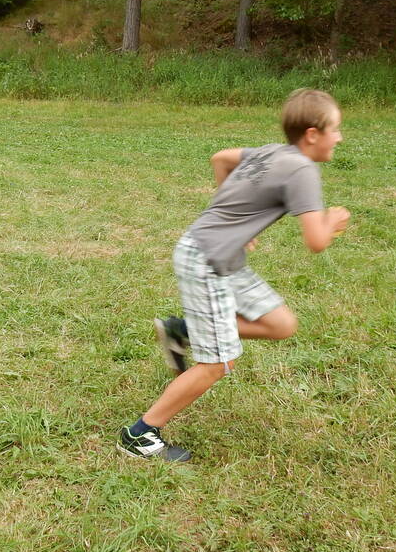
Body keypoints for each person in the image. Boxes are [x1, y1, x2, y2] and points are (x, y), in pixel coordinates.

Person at [118, 88, 351, 462]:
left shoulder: (274, 152)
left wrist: (234, 216)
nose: (339, 137)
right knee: (217, 363)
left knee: (281, 324)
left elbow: (221, 158)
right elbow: (316, 242)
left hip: (216, 253)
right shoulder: (303, 171)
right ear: (312, 134)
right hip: (207, 259)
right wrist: (333, 221)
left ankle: (184, 330)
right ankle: (139, 434)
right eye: (335, 129)